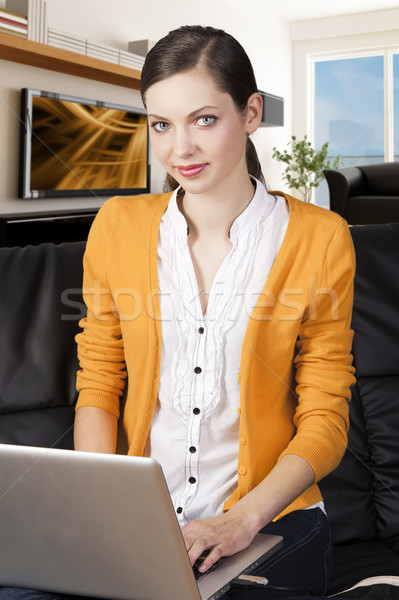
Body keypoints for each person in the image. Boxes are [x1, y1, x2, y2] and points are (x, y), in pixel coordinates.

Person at [0, 25, 356, 600]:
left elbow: (325, 417)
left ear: (251, 112)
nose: (179, 149)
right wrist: (102, 510)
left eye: (204, 120)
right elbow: (99, 380)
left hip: (272, 521)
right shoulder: (118, 225)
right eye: (161, 124)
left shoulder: (322, 238)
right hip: (140, 521)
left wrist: (241, 520)